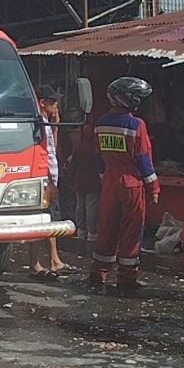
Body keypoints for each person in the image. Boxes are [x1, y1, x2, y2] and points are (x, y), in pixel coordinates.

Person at [89, 77, 158, 292]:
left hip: (109, 179)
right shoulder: (137, 125)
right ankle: (127, 277)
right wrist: (153, 186)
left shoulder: (100, 123)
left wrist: (103, 177)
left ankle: (99, 272)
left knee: (106, 226)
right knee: (131, 228)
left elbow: (98, 156)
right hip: (131, 182)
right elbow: (143, 158)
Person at [30, 86, 66, 280]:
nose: (56, 106)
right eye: (52, 102)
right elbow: (41, 154)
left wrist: (56, 125)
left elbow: (52, 148)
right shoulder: (37, 123)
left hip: (51, 174)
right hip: (45, 178)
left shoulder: (45, 123)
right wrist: (49, 180)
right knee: (41, 219)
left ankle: (54, 259)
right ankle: (36, 262)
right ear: (42, 102)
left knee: (48, 219)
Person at [70, 121, 100, 253]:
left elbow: (73, 163)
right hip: (92, 181)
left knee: (80, 206)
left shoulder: (79, 146)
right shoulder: (96, 147)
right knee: (90, 207)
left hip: (79, 180)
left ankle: (81, 231)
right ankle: (92, 233)